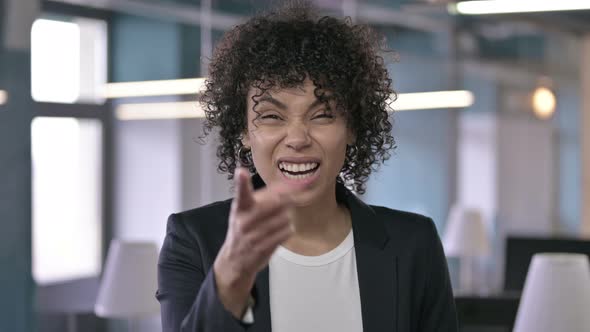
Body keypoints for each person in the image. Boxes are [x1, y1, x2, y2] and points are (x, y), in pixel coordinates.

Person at [156, 1, 458, 331]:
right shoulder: (194, 242)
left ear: (352, 127)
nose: (297, 138)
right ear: (243, 131)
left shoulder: (414, 244)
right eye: (271, 116)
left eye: (322, 115)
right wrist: (230, 276)